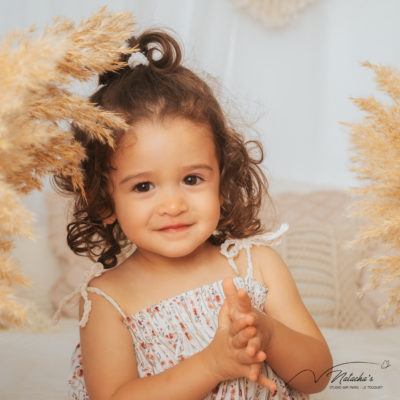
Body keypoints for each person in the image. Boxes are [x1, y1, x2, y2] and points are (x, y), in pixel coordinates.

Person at [54, 29, 333, 400]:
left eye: (191, 178)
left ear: (223, 177)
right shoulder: (107, 299)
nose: (173, 205)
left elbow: (318, 376)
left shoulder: (256, 267)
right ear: (106, 201)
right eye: (143, 187)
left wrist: (269, 334)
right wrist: (211, 364)